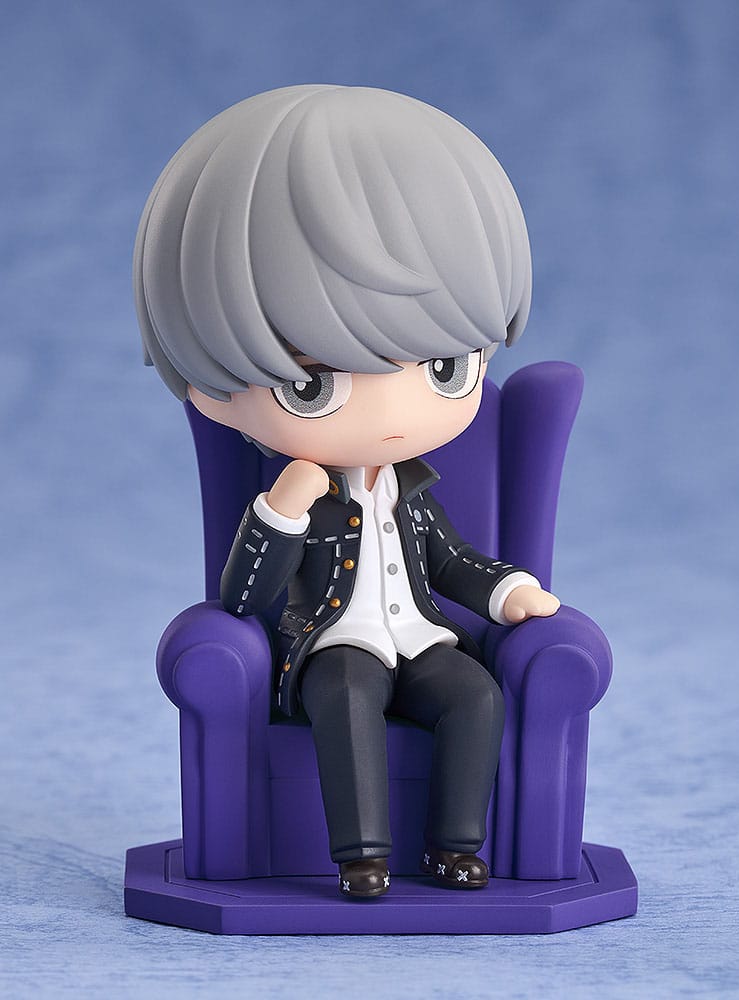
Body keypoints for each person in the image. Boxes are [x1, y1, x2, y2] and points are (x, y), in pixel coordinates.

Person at [134, 85, 560, 899]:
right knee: (348, 697)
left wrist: (506, 591)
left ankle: (453, 847)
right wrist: (282, 511)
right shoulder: (298, 496)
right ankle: (361, 855)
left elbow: (450, 560)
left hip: (421, 643)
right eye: (312, 384)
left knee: (474, 695)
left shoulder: (414, 490)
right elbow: (245, 601)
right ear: (211, 388)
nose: (392, 416)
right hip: (332, 647)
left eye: (445, 367)